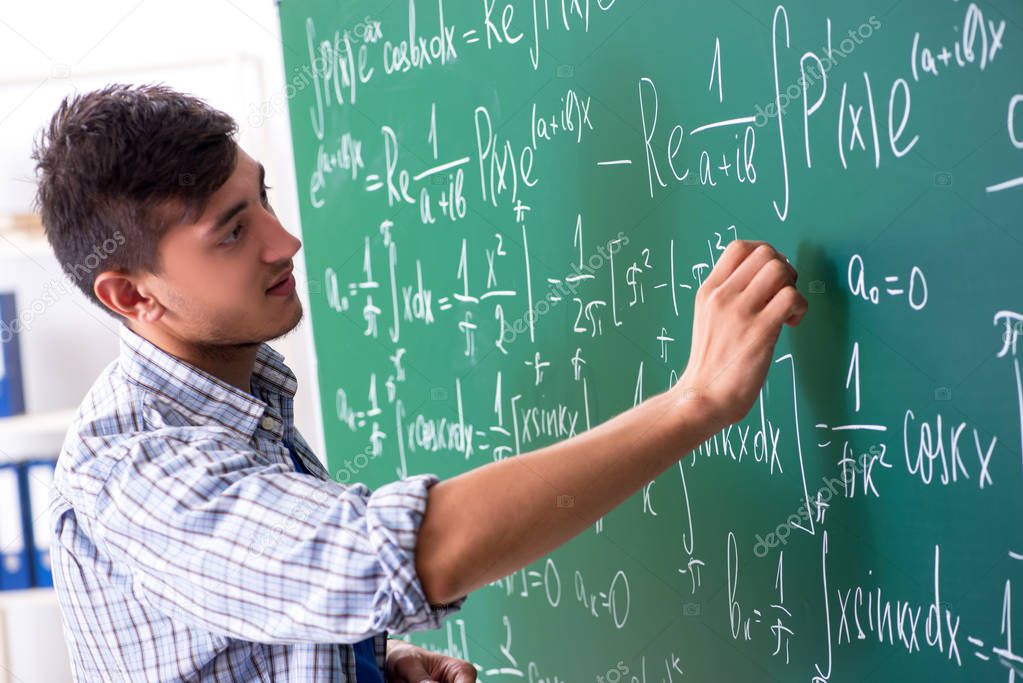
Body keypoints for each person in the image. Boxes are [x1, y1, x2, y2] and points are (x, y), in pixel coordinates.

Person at [32, 84, 807, 682]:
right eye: (232, 231)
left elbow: (249, 606)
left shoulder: (238, 393)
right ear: (132, 295)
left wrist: (368, 658)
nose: (285, 239)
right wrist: (696, 401)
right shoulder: (133, 467)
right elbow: (398, 554)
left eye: (260, 197)